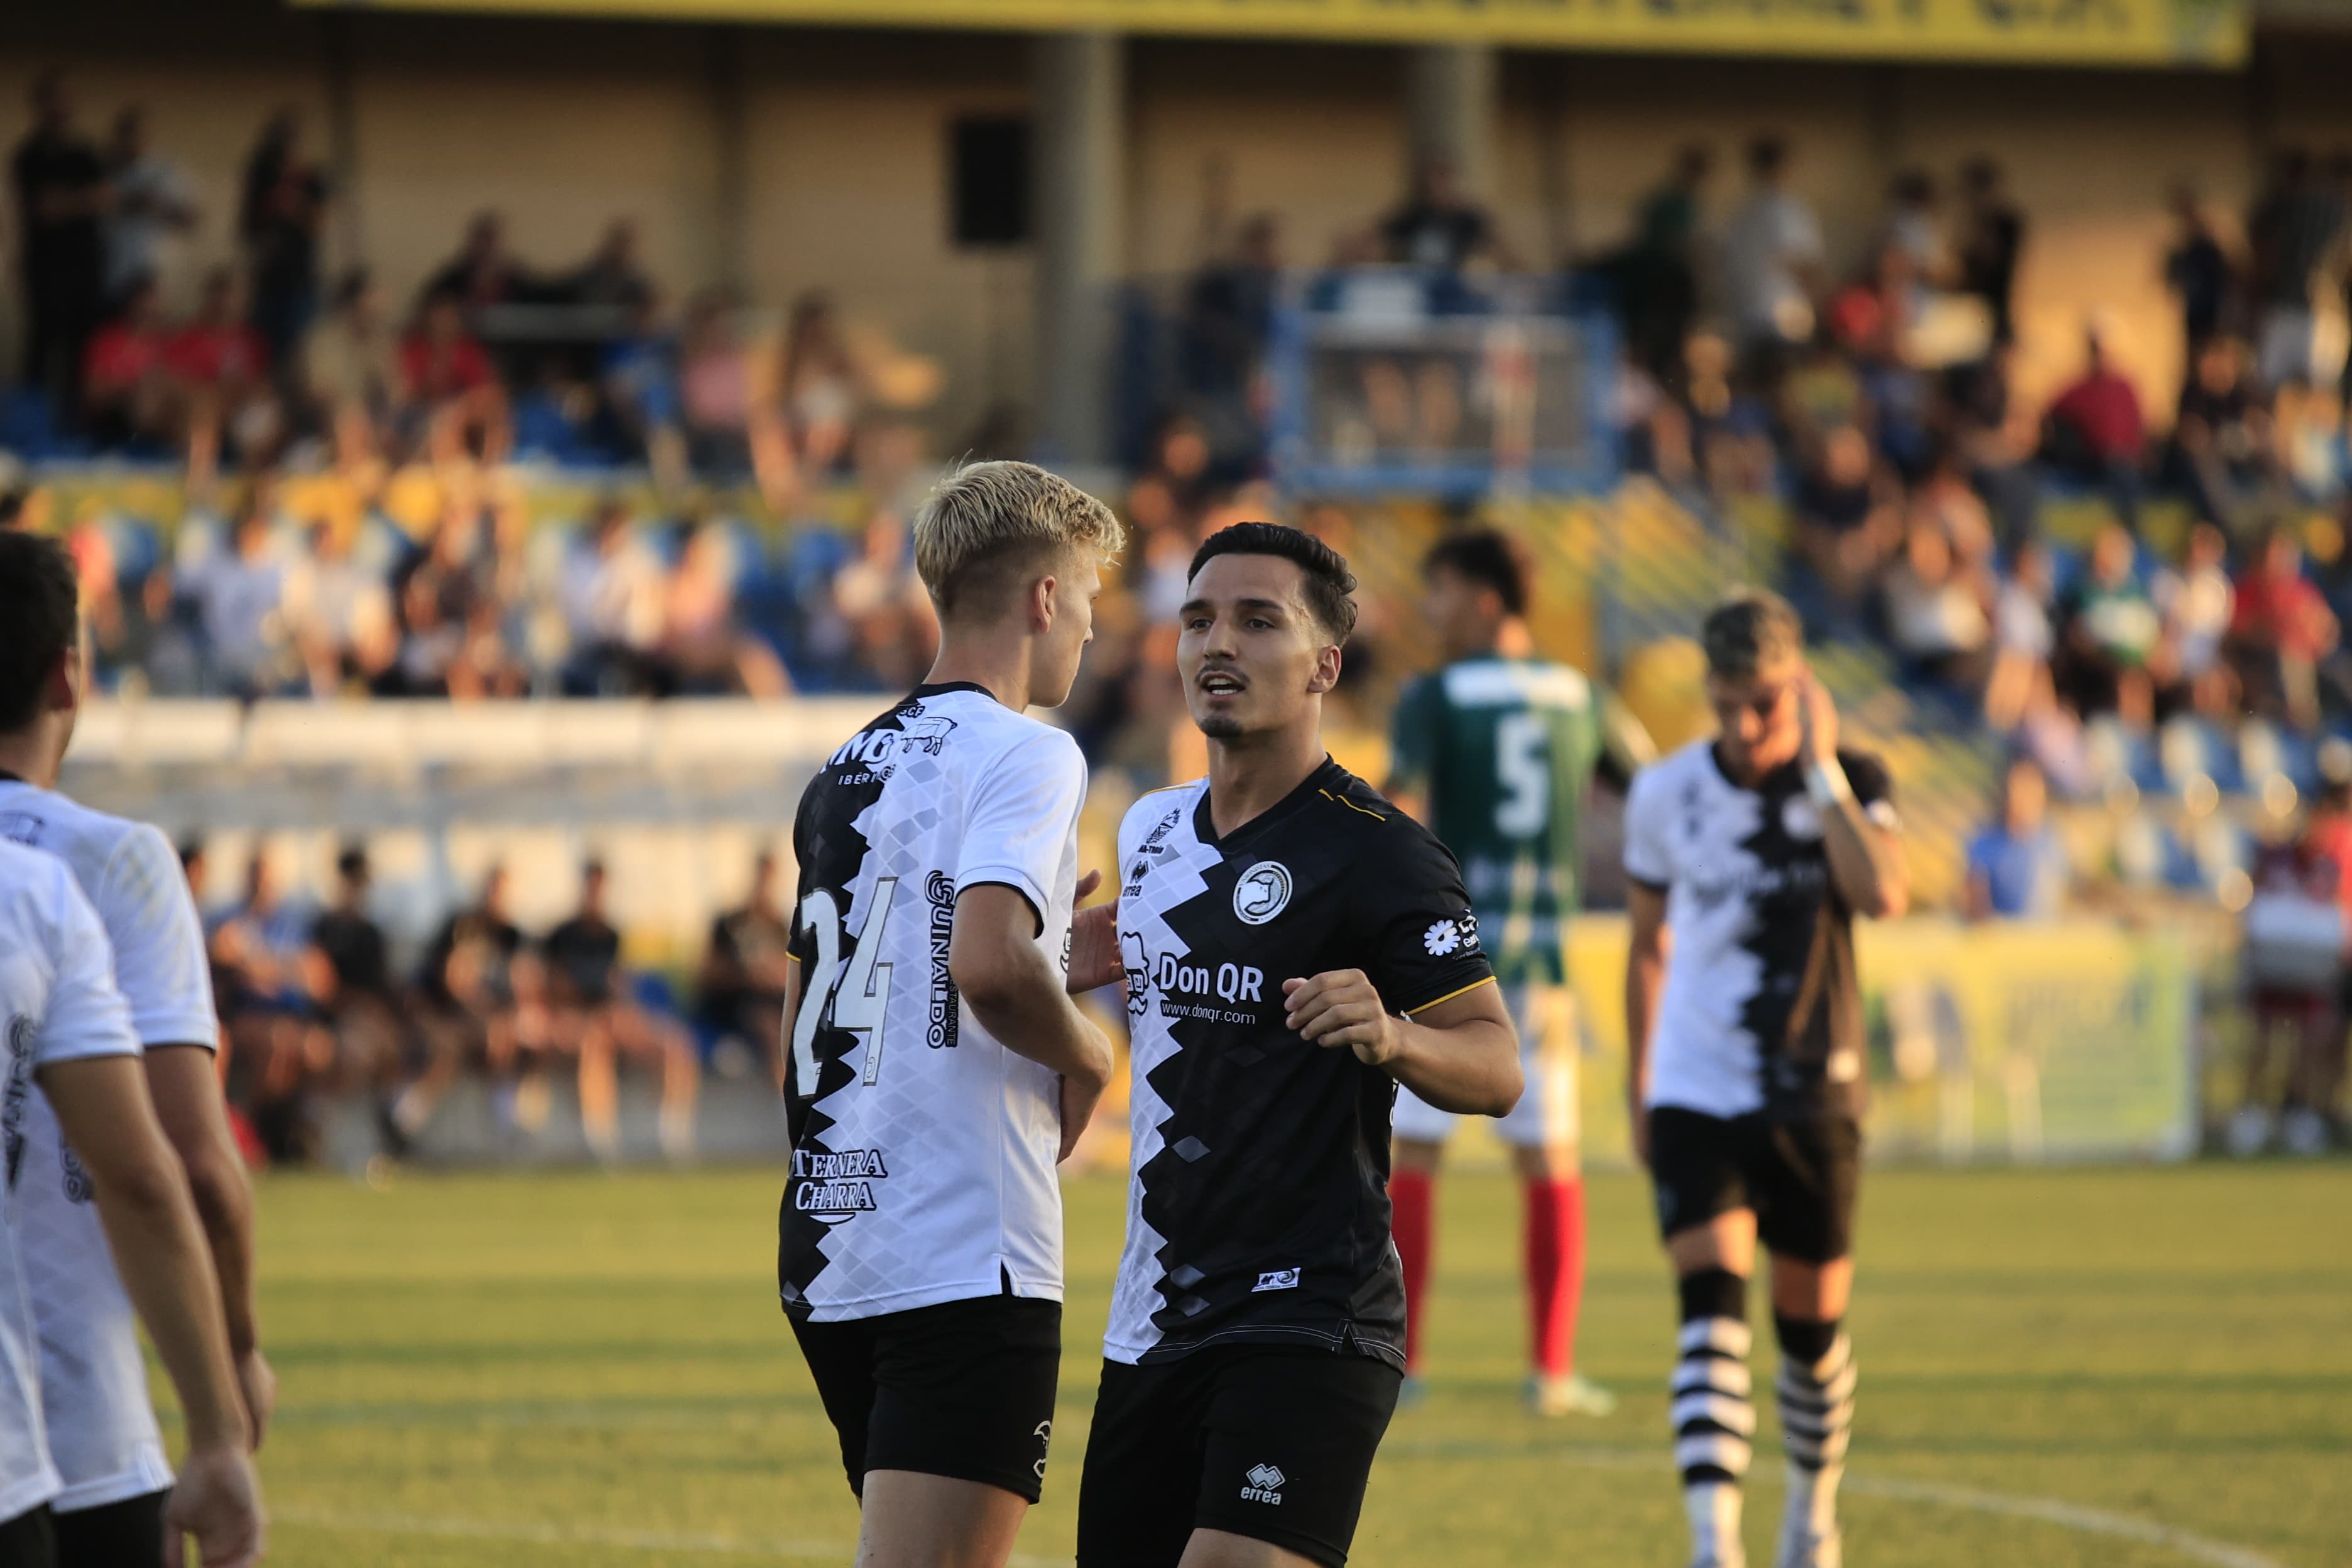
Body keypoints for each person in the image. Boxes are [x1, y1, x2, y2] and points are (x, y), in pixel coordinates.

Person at [1077, 523, 1522, 1568]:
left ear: (1323, 663)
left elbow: (1495, 1066)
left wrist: (1392, 1033)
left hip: (1308, 1313)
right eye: (1196, 620)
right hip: (1150, 1318)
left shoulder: (1380, 855)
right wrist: (1060, 975)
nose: (1214, 643)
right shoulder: (1148, 832)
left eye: (1254, 619)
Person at [779, 460, 1124, 1567]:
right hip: (960, 1245)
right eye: (1085, 600)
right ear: (1040, 599)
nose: (1087, 627)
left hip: (834, 1239)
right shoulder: (1029, 752)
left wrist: (1048, 969)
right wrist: (1090, 1050)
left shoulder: (843, 767)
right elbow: (981, 964)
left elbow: (816, 1011)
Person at [0, 529, 273, 1565]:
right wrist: (233, 1359)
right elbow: (186, 1166)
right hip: (77, 1432)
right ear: (66, 676)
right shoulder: (102, 867)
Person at [1622, 589, 1908, 1568]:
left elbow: (1884, 894)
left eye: (1768, 706)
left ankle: (1812, 1513)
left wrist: (1822, 769)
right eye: (1729, 703)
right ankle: (1715, 1546)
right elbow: (1648, 948)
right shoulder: (1665, 794)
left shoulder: (1852, 779)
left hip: (1815, 1090)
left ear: (1802, 692)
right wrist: (1641, 1081)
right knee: (1708, 1308)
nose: (1746, 728)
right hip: (1697, 1084)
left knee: (1810, 1332)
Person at [1384, 531, 1640, 1417]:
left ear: (1488, 600)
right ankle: (1553, 1370)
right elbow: (1648, 793)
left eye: (1443, 591)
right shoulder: (1585, 697)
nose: (1431, 611)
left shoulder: (1436, 696)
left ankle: (1404, 1366)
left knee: (1414, 1150)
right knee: (1549, 1158)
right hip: (1545, 963)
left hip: (1449, 965)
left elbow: (1397, 808)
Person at [0, 838, 266, 1568]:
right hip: (59, 1442)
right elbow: (157, 1176)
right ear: (69, 711)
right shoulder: (41, 889)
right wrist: (219, 1414)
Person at [541, 858, 699, 1162]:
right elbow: (555, 988)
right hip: (578, 1019)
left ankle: (672, 1134)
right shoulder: (561, 936)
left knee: (674, 1043)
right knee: (592, 1046)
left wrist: (621, 1010)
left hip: (611, 1015)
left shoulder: (611, 935)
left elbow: (618, 984)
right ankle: (599, 1137)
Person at [11, 74, 107, 412]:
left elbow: (105, 198)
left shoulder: (85, 152)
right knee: (43, 346)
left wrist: (68, 201)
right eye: (54, 99)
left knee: (82, 350)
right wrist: (82, 200)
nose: (62, 108)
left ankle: (75, 423)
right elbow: (46, 209)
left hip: (86, 265)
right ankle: (32, 422)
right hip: (46, 267)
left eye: (67, 99)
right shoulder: (29, 154)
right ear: (40, 105)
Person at [1722, 137, 1825, 378]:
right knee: (1786, 391)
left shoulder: (1741, 214)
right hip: (1784, 319)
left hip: (1747, 318)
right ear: (1786, 166)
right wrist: (1824, 303)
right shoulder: (1787, 210)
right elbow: (1798, 262)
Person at [695, 849, 795, 1080]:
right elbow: (707, 972)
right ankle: (785, 1098)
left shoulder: (777, 924)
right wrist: (746, 974)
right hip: (735, 1005)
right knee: (772, 1029)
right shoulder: (730, 921)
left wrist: (774, 973)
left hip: (770, 1001)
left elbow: (786, 970)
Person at [1964, 755, 2069, 921]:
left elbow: (2075, 896)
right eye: (2018, 789)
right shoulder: (1985, 844)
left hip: (2048, 940)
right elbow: (1976, 908)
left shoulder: (2055, 842)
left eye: (2031, 789)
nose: (2024, 798)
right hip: (2006, 941)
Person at [1956, 157, 2024, 344]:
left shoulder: (2001, 222)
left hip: (1993, 314)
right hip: (1973, 316)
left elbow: (1988, 258)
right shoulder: (1983, 222)